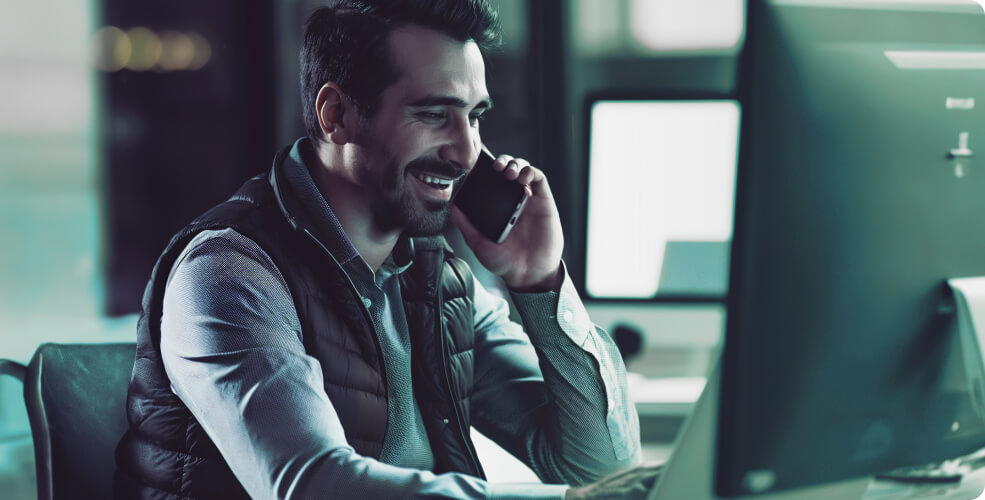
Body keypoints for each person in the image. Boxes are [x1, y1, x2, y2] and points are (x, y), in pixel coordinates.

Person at [114, 1, 660, 498]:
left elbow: (600, 470)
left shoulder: (436, 279)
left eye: (475, 117)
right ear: (337, 115)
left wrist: (538, 282)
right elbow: (311, 485)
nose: (467, 151)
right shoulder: (228, 274)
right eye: (433, 114)